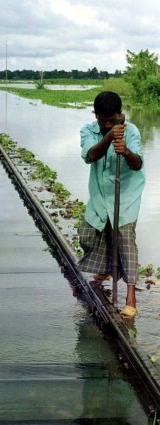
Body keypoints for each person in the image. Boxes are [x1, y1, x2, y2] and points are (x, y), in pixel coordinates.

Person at [78, 91, 145, 317]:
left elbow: (137, 164)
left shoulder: (132, 131)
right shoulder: (88, 130)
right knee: (87, 235)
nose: (107, 124)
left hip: (126, 194)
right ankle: (106, 268)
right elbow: (90, 156)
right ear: (95, 115)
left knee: (125, 237)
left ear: (119, 114)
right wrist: (108, 138)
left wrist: (124, 149)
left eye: (111, 120)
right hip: (100, 194)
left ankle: (130, 296)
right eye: (102, 120)